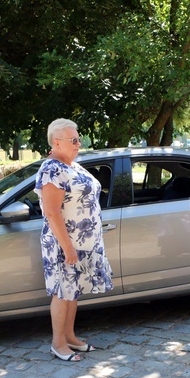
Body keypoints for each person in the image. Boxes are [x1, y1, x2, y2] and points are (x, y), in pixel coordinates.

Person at [34, 118, 114, 362]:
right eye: (74, 140)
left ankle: (70, 336)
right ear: (56, 142)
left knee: (73, 292)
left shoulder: (73, 166)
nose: (79, 144)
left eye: (79, 139)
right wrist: (68, 248)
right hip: (63, 245)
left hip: (83, 243)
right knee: (62, 292)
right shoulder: (52, 169)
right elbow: (52, 212)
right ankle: (58, 344)